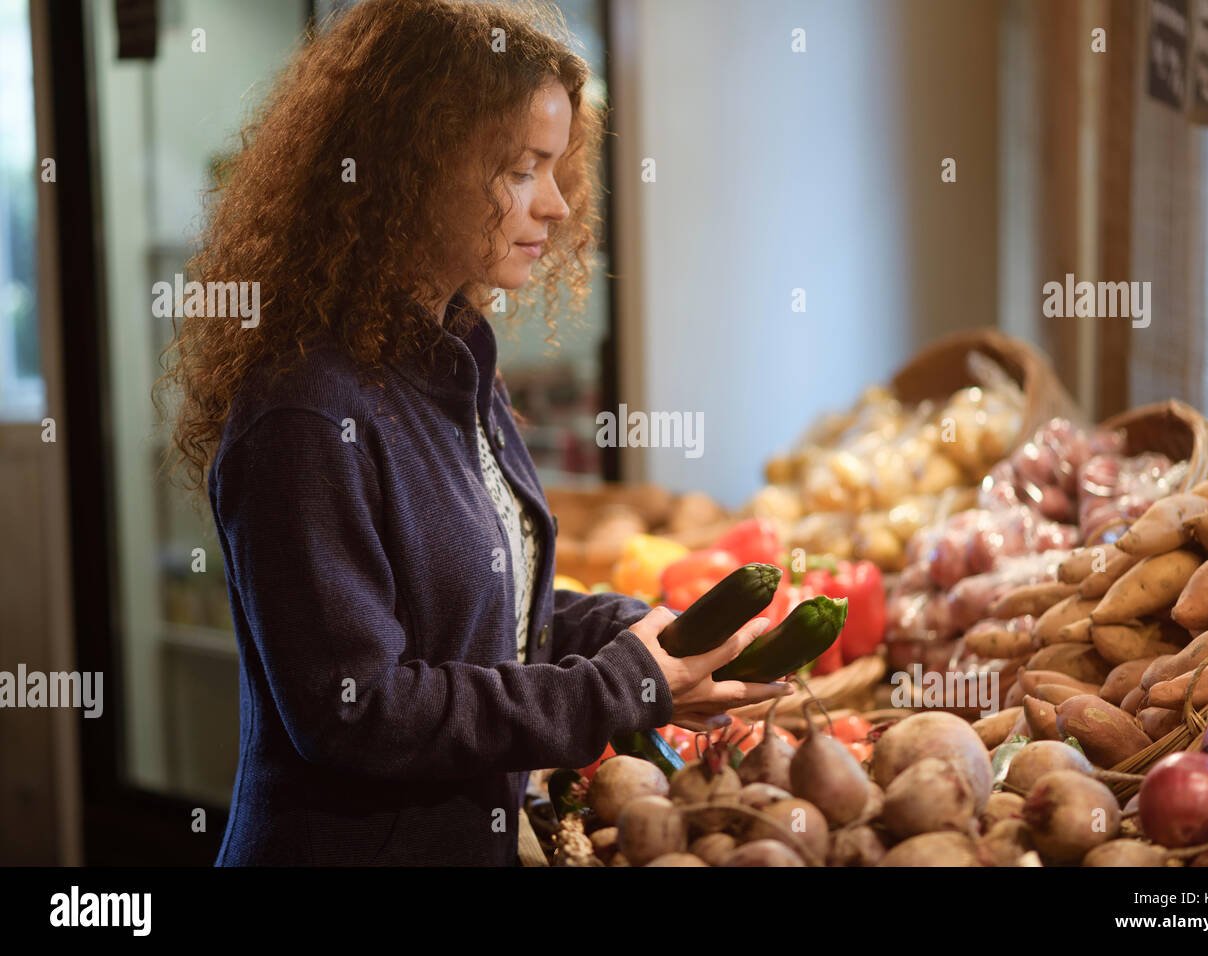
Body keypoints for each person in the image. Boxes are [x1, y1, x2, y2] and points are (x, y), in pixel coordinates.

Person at [158, 0, 791, 866]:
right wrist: (618, 686)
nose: (561, 205)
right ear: (416, 167)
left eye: (558, 166)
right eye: (525, 168)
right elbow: (358, 711)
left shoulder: (451, 363)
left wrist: (648, 632)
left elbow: (480, 621)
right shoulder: (304, 411)